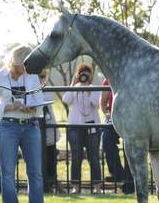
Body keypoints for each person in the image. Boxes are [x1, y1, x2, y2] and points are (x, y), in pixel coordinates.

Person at [0, 46, 46, 203]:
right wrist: (11, 106)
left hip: (30, 125)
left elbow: (39, 101)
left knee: (35, 172)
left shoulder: (32, 76)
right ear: (14, 62)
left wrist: (32, 107)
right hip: (8, 126)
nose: (24, 69)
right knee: (7, 173)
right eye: (21, 65)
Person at [63, 63, 102, 194]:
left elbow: (97, 104)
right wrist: (73, 84)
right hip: (75, 127)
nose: (84, 76)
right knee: (76, 156)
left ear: (90, 75)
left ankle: (97, 187)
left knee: (94, 156)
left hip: (92, 126)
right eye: (82, 73)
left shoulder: (94, 88)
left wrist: (89, 91)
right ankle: (76, 186)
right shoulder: (75, 88)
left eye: (87, 73)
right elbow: (66, 100)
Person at [101, 76, 134, 194]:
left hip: (128, 119)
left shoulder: (130, 78)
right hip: (113, 120)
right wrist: (106, 113)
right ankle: (117, 173)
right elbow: (103, 102)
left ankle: (129, 181)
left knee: (128, 147)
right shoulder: (107, 81)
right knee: (106, 140)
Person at [39, 68, 61, 193]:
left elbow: (45, 99)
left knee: (51, 157)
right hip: (37, 128)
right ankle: (43, 184)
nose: (41, 79)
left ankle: (52, 183)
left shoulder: (47, 88)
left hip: (49, 127)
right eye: (39, 77)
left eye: (43, 76)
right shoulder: (30, 87)